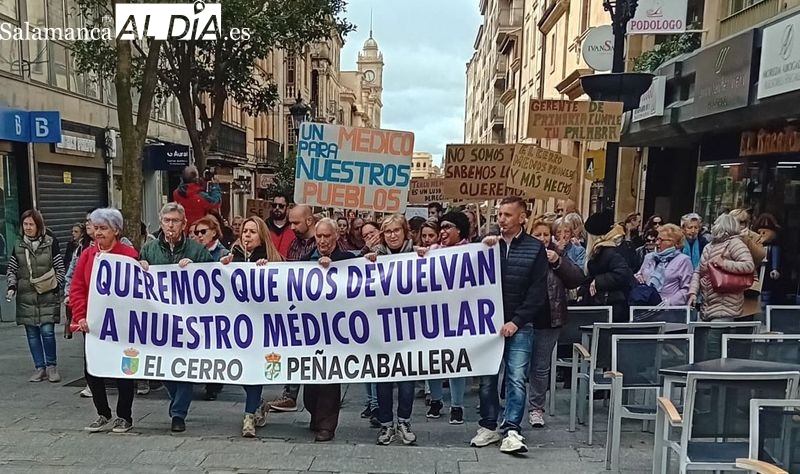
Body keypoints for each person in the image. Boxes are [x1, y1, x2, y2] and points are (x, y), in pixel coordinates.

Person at [469, 197, 550, 454]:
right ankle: (489, 425)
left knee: (516, 378)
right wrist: (482, 248)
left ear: (522, 217)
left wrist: (516, 322)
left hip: (519, 325)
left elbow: (538, 292)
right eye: (499, 215)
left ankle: (512, 428)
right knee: (487, 379)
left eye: (507, 215)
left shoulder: (535, 248)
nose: (501, 219)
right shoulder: (485, 244)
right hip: (488, 325)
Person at [139, 203, 214, 433]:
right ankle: (177, 404)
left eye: (175, 221)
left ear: (184, 224)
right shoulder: (149, 250)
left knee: (186, 367)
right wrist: (139, 266)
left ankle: (178, 413)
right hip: (159, 320)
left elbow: (213, 279)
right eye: (166, 220)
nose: (170, 225)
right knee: (162, 368)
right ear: (160, 223)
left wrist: (196, 268)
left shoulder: (196, 250)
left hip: (189, 321)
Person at [69, 208, 140, 433]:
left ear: (116, 230)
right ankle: (103, 413)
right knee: (92, 370)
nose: (98, 233)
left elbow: (138, 289)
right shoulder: (87, 256)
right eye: (95, 228)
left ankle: (124, 416)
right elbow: (78, 287)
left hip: (122, 325)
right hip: (94, 324)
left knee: (124, 370)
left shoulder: (128, 254)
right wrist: (80, 316)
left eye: (103, 228)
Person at [221, 216, 281, 437]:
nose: (247, 234)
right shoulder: (233, 258)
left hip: (263, 328)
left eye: (252, 231)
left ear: (261, 235)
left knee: (254, 370)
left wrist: (269, 269)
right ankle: (257, 403)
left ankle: (248, 417)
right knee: (244, 372)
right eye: (245, 231)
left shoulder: (272, 259)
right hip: (238, 328)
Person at [364, 214, 418, 446]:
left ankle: (404, 422)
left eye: (397, 230)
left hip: (409, 328)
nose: (393, 235)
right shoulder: (372, 257)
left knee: (407, 381)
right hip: (382, 330)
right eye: (388, 232)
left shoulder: (419, 254)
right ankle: (386, 425)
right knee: (383, 381)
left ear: (405, 232)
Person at [526, 218, 584, 429]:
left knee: (540, 367)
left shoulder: (557, 255)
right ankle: (510, 409)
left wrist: (558, 261)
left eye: (545, 234)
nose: (541, 239)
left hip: (549, 318)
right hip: (523, 320)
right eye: (537, 234)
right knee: (517, 367)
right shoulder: (522, 252)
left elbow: (577, 278)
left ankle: (536, 408)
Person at [304, 218, 358, 442]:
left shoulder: (346, 260)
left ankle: (327, 425)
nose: (323, 240)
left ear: (337, 236)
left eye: (327, 236)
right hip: (311, 330)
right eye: (319, 236)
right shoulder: (307, 260)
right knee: (311, 382)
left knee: (328, 379)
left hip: (336, 330)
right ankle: (315, 416)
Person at [417, 211, 472, 424]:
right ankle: (437, 400)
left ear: (460, 229)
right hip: (434, 314)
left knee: (456, 360)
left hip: (459, 316)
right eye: (441, 227)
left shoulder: (471, 251)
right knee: (434, 360)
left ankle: (457, 405)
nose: (443, 231)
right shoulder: (433, 251)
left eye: (448, 226)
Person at [266, 204, 317, 413]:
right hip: (295, 305)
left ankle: (315, 399)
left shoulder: (320, 241)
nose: (292, 227)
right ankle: (290, 394)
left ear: (309, 221)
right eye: (291, 222)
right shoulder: (295, 243)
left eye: (296, 222)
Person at [6, 209, 65, 383]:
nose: (28, 228)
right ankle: (39, 367)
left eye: (31, 224)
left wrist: (56, 286)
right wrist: (12, 285)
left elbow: (59, 268)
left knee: (47, 331)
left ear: (38, 225)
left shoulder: (50, 242)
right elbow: (12, 269)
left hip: (47, 294)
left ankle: (51, 366)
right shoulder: (18, 245)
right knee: (32, 333)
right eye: (25, 224)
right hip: (26, 295)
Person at [688, 214, 755, 357]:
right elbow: (698, 271)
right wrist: (693, 292)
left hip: (726, 303)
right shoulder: (709, 246)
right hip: (708, 303)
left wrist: (724, 263)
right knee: (704, 344)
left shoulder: (735, 243)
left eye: (715, 223)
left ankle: (713, 376)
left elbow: (748, 265)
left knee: (713, 343)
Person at [580, 211, 634, 322]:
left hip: (611, 306)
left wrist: (598, 281)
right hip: (608, 304)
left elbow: (623, 273)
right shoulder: (610, 247)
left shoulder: (610, 250)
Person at [635, 224, 693, 306]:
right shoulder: (649, 257)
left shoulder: (683, 260)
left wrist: (668, 303)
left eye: (661, 240)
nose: (657, 243)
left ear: (674, 242)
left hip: (669, 310)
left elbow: (686, 289)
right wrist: (638, 277)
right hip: (645, 306)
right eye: (657, 239)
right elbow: (640, 274)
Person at [266, 194, 296, 259]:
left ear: (287, 208)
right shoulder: (264, 226)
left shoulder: (294, 227)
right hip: (267, 266)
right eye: (274, 205)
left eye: (281, 206)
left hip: (289, 266)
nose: (277, 208)